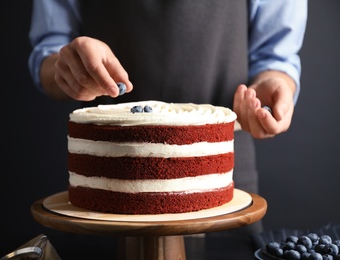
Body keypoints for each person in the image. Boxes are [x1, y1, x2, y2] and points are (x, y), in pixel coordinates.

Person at [28, 0, 307, 236]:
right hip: (102, 205)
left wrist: (271, 86)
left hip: (223, 193)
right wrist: (65, 67)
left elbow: (274, 55)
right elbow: (49, 49)